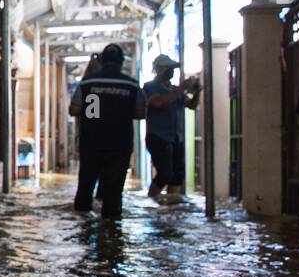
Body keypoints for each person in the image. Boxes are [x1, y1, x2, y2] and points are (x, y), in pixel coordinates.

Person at [69, 43, 145, 219]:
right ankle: (111, 236)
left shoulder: (88, 83)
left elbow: (73, 109)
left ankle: (82, 235)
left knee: (85, 189)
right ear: (121, 62)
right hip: (119, 145)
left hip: (91, 143)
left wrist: (95, 111)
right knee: (113, 194)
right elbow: (141, 113)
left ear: (102, 61)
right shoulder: (132, 85)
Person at [142, 54, 201, 204]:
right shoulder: (150, 87)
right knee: (164, 173)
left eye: (173, 68)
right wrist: (181, 88)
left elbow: (191, 106)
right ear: (159, 69)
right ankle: (151, 201)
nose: (171, 71)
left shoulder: (175, 90)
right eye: (169, 68)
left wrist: (197, 92)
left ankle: (171, 206)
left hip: (176, 137)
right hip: (158, 137)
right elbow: (160, 102)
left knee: (177, 175)